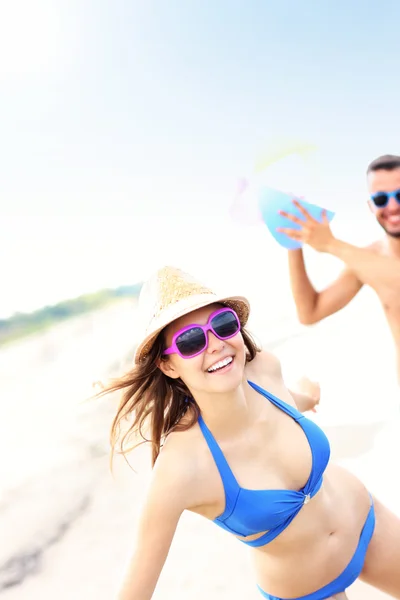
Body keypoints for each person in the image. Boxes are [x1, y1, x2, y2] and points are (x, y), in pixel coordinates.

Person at [101, 265, 400, 600]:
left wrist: (308, 394)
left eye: (223, 324)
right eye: (190, 341)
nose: (214, 345)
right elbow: (134, 589)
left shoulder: (265, 370)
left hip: (367, 522)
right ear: (168, 365)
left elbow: (290, 402)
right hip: (308, 591)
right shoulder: (180, 468)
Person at [277, 154, 400, 382]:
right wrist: (293, 240)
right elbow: (310, 312)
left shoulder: (362, 260)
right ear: (371, 206)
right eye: (381, 199)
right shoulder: (367, 259)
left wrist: (331, 244)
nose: (392, 206)